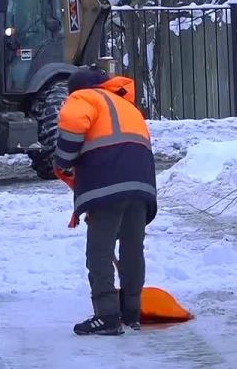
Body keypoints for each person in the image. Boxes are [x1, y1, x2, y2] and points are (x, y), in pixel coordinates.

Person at [54, 67, 158, 336]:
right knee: (132, 248)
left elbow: (73, 127)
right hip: (142, 183)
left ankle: (107, 316)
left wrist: (62, 161)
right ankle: (131, 312)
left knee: (99, 250)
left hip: (107, 181)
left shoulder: (83, 98)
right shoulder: (125, 104)